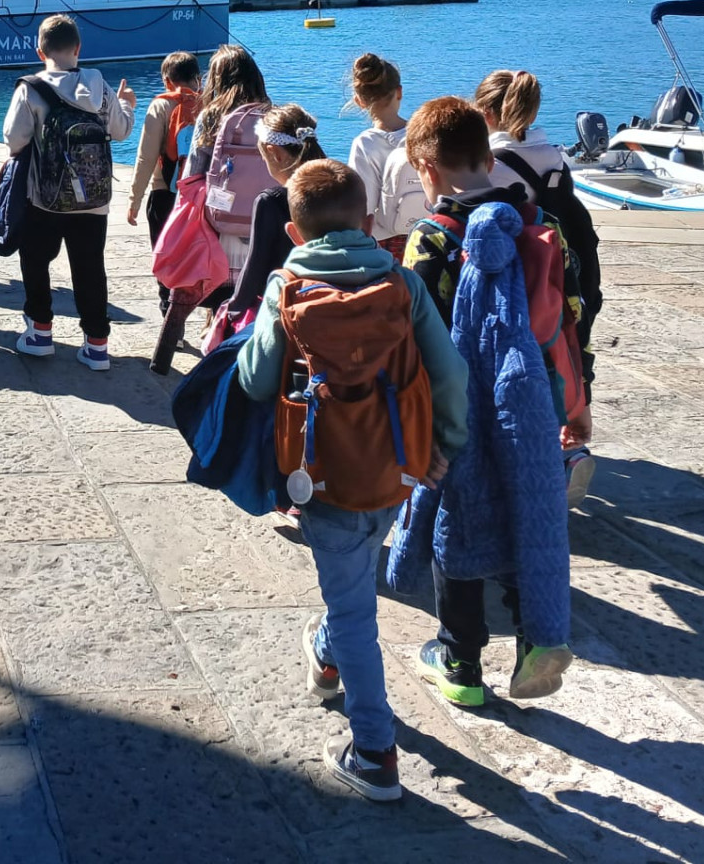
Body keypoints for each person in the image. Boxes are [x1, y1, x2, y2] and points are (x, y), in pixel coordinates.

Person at [234, 159, 467, 801]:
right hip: (395, 469)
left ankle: (373, 753)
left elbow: (254, 380)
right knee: (357, 575)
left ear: (293, 231)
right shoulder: (402, 283)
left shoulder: (286, 287)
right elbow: (449, 374)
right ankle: (327, 653)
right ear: (367, 222)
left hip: (321, 476)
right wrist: (443, 446)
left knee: (353, 607)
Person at [397, 96, 582, 709]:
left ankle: (460, 660)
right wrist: (575, 401)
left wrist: (415, 425)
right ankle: (532, 637)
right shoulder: (538, 223)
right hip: (533, 399)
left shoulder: (433, 237)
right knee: (525, 510)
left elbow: (416, 339)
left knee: (457, 522)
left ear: (426, 167)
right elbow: (569, 315)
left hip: (460, 409)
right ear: (487, 156)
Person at [2, 14, 135, 369]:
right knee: (90, 267)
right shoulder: (99, 84)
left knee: (35, 260)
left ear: (40, 50)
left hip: (44, 199)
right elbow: (121, 130)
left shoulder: (31, 88)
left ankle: (40, 333)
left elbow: (14, 139)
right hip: (93, 199)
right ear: (78, 47)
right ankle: (97, 345)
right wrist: (127, 105)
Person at [475, 68, 604, 373]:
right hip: (556, 275)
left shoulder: (489, 167)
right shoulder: (554, 157)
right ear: (532, 112)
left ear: (485, 114)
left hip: (514, 283)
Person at [226, 104, 326, 322]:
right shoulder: (337, 188)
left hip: (282, 309)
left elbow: (255, 267)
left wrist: (232, 311)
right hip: (327, 302)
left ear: (275, 153)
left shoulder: (271, 201)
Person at [185, 42, 273, 280]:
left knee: (221, 291)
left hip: (221, 220)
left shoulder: (212, 116)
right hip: (266, 221)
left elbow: (192, 174)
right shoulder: (273, 116)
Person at [126, 51, 201, 310]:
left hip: (165, 194)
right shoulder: (210, 105)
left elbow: (145, 157)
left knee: (166, 258)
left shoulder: (160, 106)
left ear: (167, 81)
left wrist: (135, 199)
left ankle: (169, 310)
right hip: (200, 196)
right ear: (198, 78)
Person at [348, 53, 429, 249]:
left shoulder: (365, 143)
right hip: (426, 234)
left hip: (384, 241)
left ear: (359, 101)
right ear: (399, 92)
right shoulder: (425, 134)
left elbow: (363, 207)